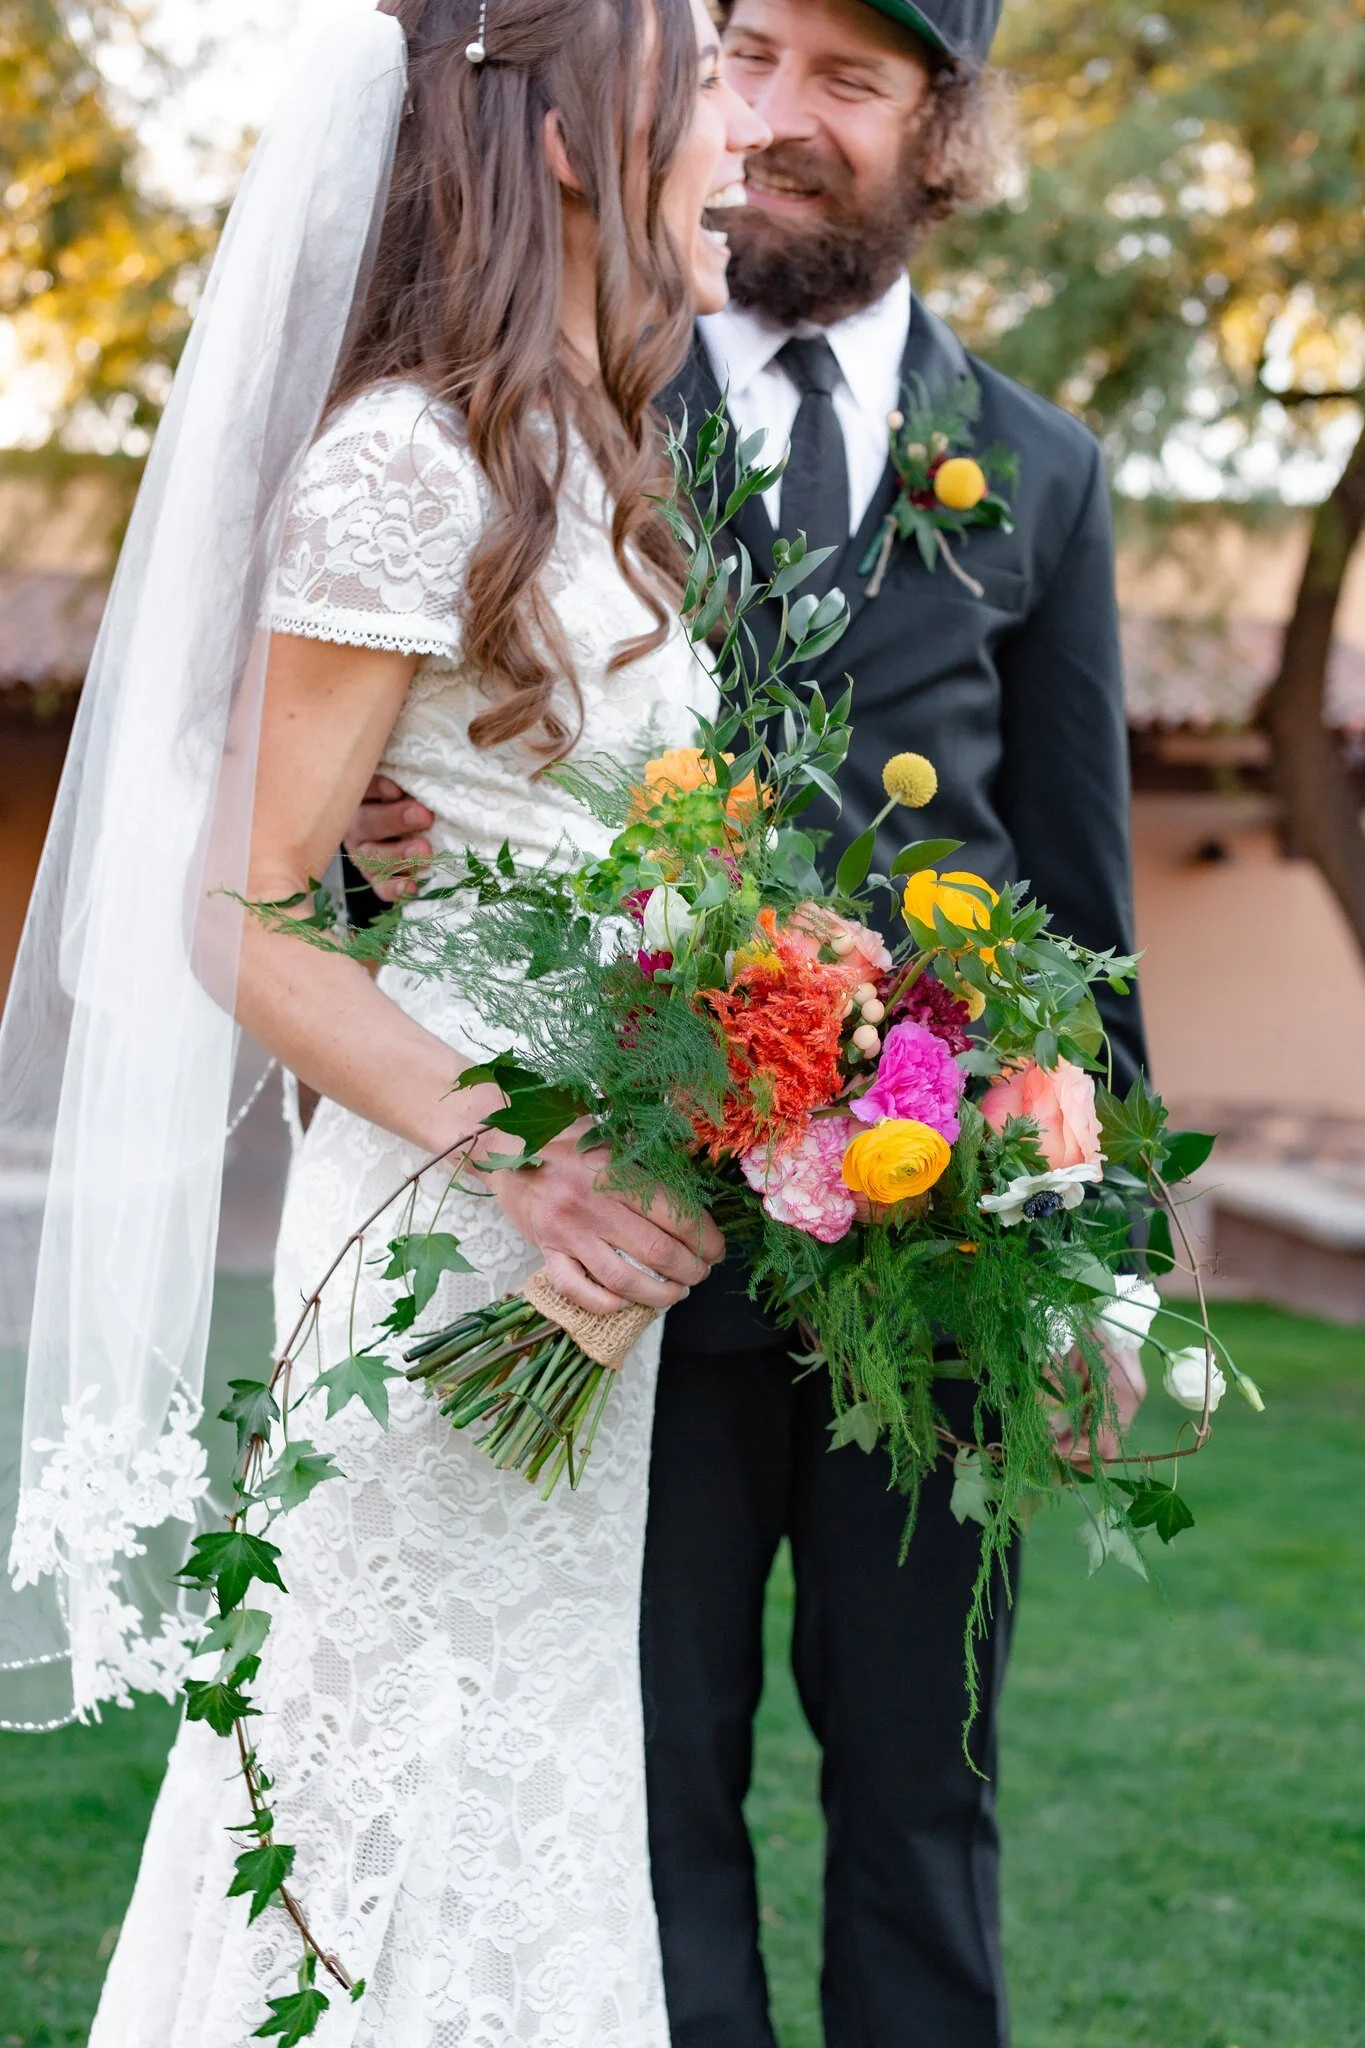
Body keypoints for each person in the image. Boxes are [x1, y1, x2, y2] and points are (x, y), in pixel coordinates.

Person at [350, 3, 1149, 2044]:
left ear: (937, 134)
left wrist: (1106, 1273)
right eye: (756, 56)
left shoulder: (1043, 470)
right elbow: (435, 741)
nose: (778, 122)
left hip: (938, 1268)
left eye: (847, 83)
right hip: (633, 1245)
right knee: (638, 1811)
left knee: (922, 1809)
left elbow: (1078, 899)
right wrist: (387, 846)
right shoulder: (575, 409)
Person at [0, 1, 768, 2041]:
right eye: (714, 76)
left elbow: (553, 846)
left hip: (561, 1257)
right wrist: (535, 1148)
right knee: (363, 1777)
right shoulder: (403, 464)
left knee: (513, 1787)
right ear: (585, 142)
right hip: (458, 1234)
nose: (748, 128)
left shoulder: (577, 464)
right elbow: (235, 909)